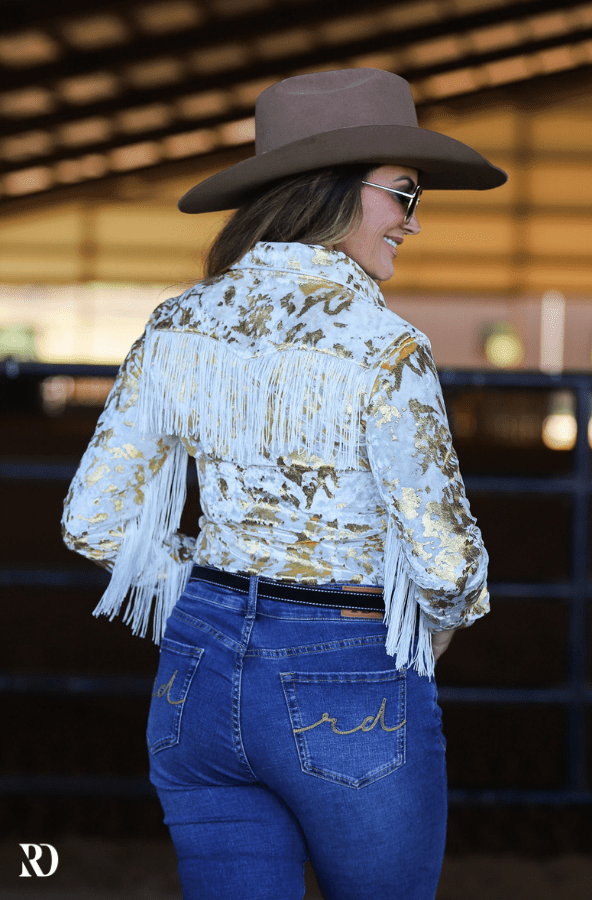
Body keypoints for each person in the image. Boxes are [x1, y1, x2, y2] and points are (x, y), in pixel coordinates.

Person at [62, 68, 506, 900]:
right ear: (335, 191)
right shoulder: (385, 345)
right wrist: (434, 629)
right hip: (349, 677)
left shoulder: (178, 322)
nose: (413, 221)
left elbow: (93, 517)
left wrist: (204, 597)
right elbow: (448, 566)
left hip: (196, 673)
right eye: (404, 194)